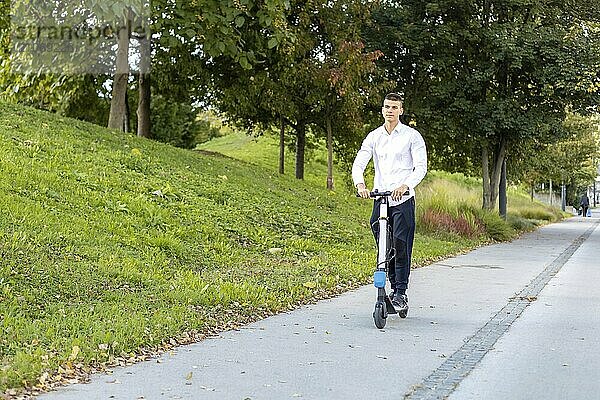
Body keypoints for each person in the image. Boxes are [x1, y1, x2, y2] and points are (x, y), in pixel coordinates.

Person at [352, 93, 427, 313]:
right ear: (382, 109)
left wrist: (406, 185)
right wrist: (360, 185)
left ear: (401, 110)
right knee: (385, 248)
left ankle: (400, 292)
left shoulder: (412, 136)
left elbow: (421, 167)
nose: (390, 110)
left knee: (401, 245)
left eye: (394, 107)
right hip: (381, 198)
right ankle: (389, 288)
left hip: (402, 200)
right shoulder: (374, 136)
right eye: (387, 107)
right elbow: (360, 162)